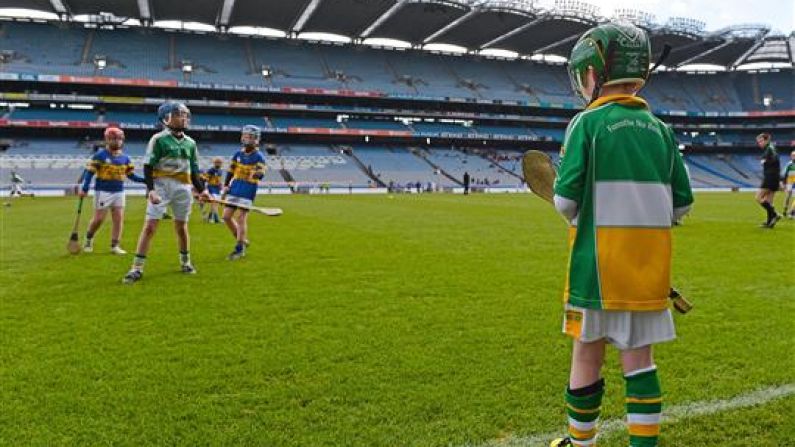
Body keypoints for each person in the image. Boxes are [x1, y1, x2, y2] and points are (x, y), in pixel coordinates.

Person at [548, 22, 693, 447]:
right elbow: (681, 206)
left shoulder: (585, 125)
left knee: (587, 354)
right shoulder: (663, 132)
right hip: (646, 274)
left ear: (592, 74)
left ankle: (581, 443)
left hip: (596, 271)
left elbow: (565, 203)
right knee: (640, 364)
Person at [122, 102, 210, 284]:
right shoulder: (158, 139)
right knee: (150, 227)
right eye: (178, 115)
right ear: (166, 118)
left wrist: (203, 191)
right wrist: (151, 190)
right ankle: (136, 268)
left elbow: (194, 172)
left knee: (181, 227)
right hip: (161, 186)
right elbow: (148, 167)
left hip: (183, 188)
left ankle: (186, 262)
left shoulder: (191, 143)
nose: (183, 118)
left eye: (185, 115)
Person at [79, 127, 145, 254]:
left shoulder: (126, 158)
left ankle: (115, 245)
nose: (117, 142)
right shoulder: (99, 155)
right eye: (114, 139)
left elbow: (131, 175)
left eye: (119, 139)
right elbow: (89, 172)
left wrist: (145, 180)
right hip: (102, 191)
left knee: (118, 219)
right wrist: (85, 188)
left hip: (119, 191)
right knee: (99, 219)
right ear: (107, 140)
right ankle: (89, 238)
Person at [222, 125, 266, 260]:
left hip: (248, 189)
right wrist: (225, 185)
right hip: (235, 187)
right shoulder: (237, 154)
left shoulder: (259, 156)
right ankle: (242, 240)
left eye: (251, 137)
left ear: (256, 140)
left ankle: (239, 248)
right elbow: (230, 171)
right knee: (226, 217)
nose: (248, 139)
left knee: (241, 218)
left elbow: (261, 173)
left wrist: (256, 174)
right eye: (246, 136)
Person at [755, 133, 782, 228]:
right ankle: (770, 223)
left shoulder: (770, 148)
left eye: (761, 141)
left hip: (770, 177)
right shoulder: (770, 148)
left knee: (758, 197)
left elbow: (774, 158)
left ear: (766, 140)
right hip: (775, 177)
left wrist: (765, 160)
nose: (759, 143)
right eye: (758, 142)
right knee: (768, 201)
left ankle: (775, 214)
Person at [201, 157, 224, 223]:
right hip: (211, 188)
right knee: (214, 203)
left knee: (215, 204)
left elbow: (219, 180)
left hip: (217, 189)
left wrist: (220, 185)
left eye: (219, 163)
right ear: (214, 163)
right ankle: (216, 219)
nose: (218, 164)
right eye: (217, 162)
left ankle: (209, 218)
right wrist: (204, 178)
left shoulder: (220, 170)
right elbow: (205, 177)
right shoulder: (211, 170)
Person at [780, 150, 794, 219]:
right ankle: (785, 212)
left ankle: (792, 212)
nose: (794, 156)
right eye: (793, 155)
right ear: (791, 156)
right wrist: (783, 183)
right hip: (790, 182)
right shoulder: (789, 164)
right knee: (788, 197)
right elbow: (783, 174)